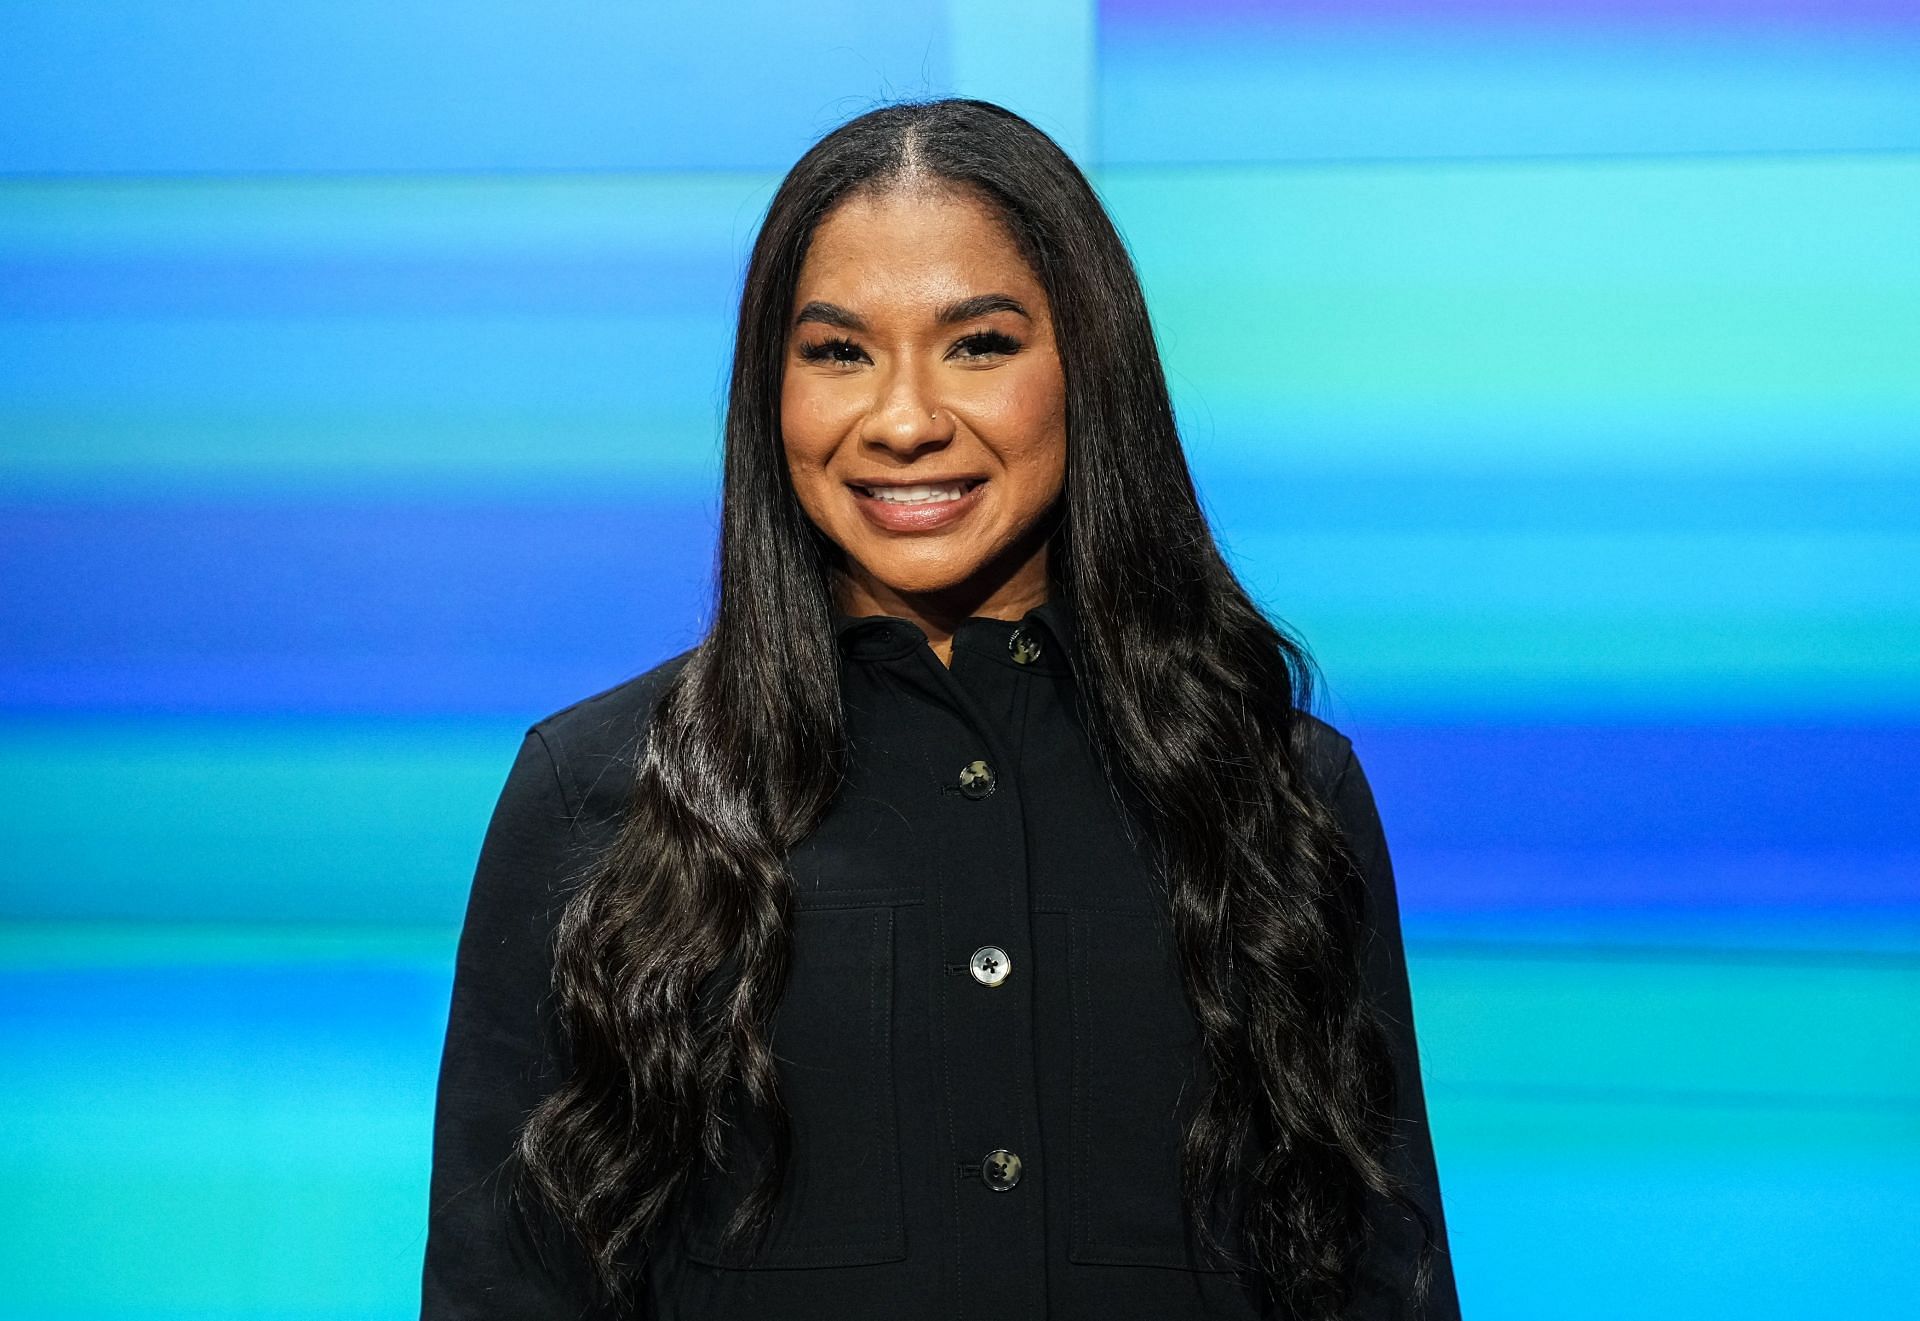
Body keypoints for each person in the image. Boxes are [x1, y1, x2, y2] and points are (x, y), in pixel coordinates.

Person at [420, 97, 1459, 1321]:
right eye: (838, 352)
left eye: (979, 344)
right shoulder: (597, 792)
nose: (905, 420)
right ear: (773, 396)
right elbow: (506, 1289)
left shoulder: (1278, 793)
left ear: (1089, 366)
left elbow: (1380, 1280)